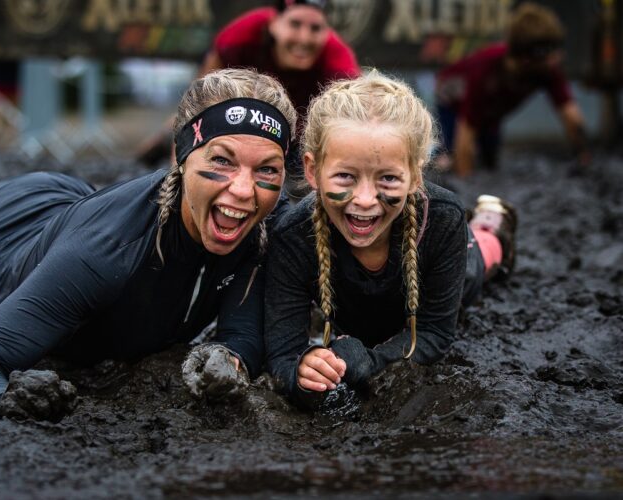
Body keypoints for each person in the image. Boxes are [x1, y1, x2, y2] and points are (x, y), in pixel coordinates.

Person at [0, 68, 297, 402]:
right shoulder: (107, 250)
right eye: (222, 161)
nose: (245, 191)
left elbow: (241, 333)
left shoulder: (261, 225)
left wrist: (230, 362)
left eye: (267, 170)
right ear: (180, 156)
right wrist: (16, 402)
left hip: (65, 211)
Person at [263, 71, 517, 404]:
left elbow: (434, 334)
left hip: (442, 252)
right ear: (312, 170)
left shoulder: (442, 219)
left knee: (478, 265)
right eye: (344, 177)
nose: (365, 199)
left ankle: (492, 223)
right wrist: (304, 370)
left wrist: (370, 362)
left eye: (387, 179)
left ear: (415, 174)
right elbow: (283, 355)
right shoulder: (292, 237)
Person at [137, 0, 360, 189]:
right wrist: (178, 178)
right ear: (274, 23)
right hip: (234, 119)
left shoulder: (336, 57)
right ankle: (160, 142)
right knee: (173, 137)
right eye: (295, 24)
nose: (304, 38)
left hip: (296, 137)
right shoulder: (242, 35)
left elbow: (353, 118)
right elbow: (197, 103)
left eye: (315, 29)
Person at [435, 2, 589, 177]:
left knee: (489, 160)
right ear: (527, 59)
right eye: (549, 53)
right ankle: (438, 156)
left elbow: (571, 116)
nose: (557, 59)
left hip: (491, 110)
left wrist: (583, 156)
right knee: (452, 158)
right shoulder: (485, 72)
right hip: (452, 101)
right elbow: (466, 135)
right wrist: (465, 183)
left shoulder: (547, 68)